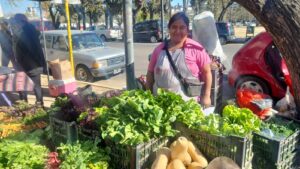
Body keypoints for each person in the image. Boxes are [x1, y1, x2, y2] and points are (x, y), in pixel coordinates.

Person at [146, 12, 212, 108]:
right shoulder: (159, 50)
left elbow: (207, 73)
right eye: (174, 27)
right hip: (160, 105)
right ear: (169, 29)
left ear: (187, 30)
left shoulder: (197, 49)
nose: (177, 31)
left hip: (187, 107)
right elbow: (150, 74)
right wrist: (148, 95)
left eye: (182, 27)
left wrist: (206, 96)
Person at [11, 14, 46, 106]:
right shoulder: (34, 31)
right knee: (37, 85)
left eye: (15, 21)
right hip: (37, 64)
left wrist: (17, 63)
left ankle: (24, 105)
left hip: (25, 65)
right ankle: (40, 103)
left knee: (22, 85)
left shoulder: (18, 32)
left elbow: (16, 52)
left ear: (18, 21)